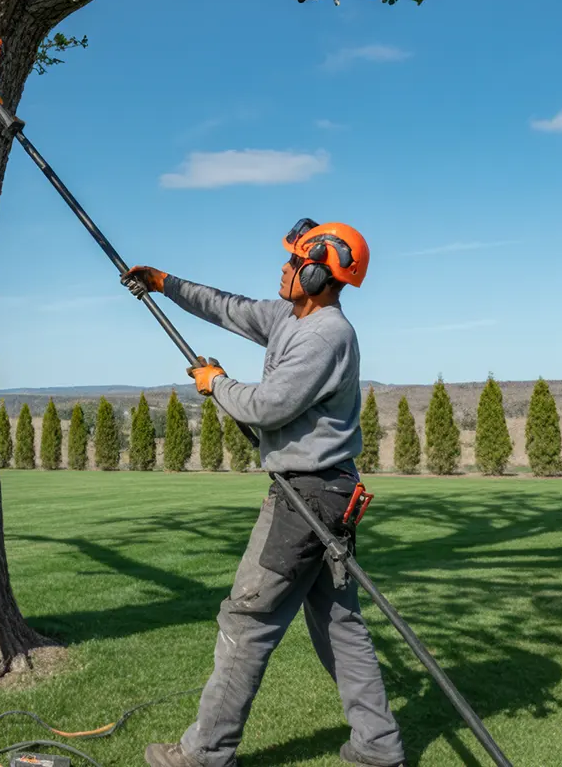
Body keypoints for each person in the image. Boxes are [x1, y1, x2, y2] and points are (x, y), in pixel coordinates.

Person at [121, 219, 406, 767]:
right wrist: (164, 282)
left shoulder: (327, 334)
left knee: (247, 622)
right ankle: (378, 749)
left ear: (321, 271)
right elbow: (226, 307)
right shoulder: (288, 316)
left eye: (294, 261)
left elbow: (270, 406)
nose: (283, 267)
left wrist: (215, 384)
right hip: (327, 493)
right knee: (340, 625)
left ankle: (204, 753)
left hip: (307, 500)